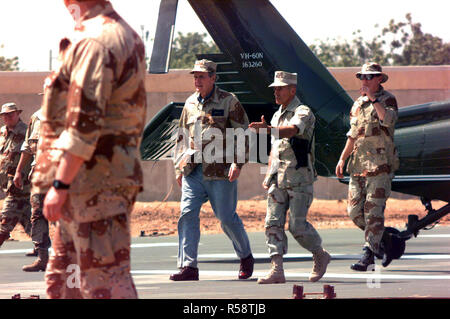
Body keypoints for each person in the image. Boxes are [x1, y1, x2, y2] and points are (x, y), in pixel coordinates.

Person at [32, 0, 147, 299]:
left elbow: (84, 122)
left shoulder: (97, 40)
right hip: (86, 186)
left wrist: (60, 183)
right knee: (63, 283)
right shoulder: (114, 34)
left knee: (104, 284)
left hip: (95, 185)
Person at [170, 59, 254, 281]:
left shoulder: (228, 101)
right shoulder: (189, 104)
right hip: (193, 172)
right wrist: (178, 168)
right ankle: (189, 266)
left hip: (220, 171)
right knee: (187, 214)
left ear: (213, 78)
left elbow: (244, 134)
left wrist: (238, 163)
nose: (197, 80)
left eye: (202, 76)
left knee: (226, 217)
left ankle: (245, 256)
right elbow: (181, 137)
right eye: (195, 76)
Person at [249, 71, 330, 284]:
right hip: (278, 178)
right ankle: (277, 270)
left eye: (280, 88)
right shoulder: (277, 114)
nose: (276, 92)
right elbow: (275, 149)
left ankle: (320, 254)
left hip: (299, 179)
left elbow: (292, 131)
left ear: (292, 90)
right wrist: (268, 174)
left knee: (297, 226)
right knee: (272, 223)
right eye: (274, 88)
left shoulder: (303, 112)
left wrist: (268, 130)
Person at [335, 62, 399, 271]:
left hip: (380, 166)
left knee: (373, 212)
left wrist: (373, 99)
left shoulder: (388, 100)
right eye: (362, 77)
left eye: (369, 77)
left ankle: (368, 255)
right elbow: (353, 135)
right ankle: (385, 239)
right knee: (354, 211)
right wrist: (342, 159)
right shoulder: (357, 104)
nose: (365, 80)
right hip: (358, 165)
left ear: (379, 79)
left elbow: (388, 120)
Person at [14, 108, 52, 272]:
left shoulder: (71, 114)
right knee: (37, 215)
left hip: (61, 174)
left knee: (63, 218)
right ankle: (42, 258)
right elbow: (28, 146)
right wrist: (18, 170)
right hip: (38, 176)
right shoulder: (36, 117)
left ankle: (69, 258)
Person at [0, 103, 32, 248]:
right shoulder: (2, 132)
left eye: (10, 114)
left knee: (5, 221)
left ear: (18, 114)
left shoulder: (26, 132)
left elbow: (31, 155)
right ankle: (45, 250)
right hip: (5, 183)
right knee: (30, 222)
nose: (7, 117)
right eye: (5, 115)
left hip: (19, 184)